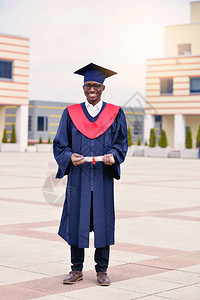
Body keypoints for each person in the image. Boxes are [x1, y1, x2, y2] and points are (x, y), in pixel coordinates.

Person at [53, 63, 128, 286]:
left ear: (103, 88)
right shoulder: (70, 113)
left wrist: (113, 156)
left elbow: (121, 142)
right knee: (76, 220)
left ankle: (102, 270)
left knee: (103, 222)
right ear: (83, 87)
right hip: (79, 178)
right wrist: (68, 157)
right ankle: (76, 269)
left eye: (96, 85)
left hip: (103, 178)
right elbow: (60, 145)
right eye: (88, 85)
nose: (91, 89)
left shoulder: (115, 113)